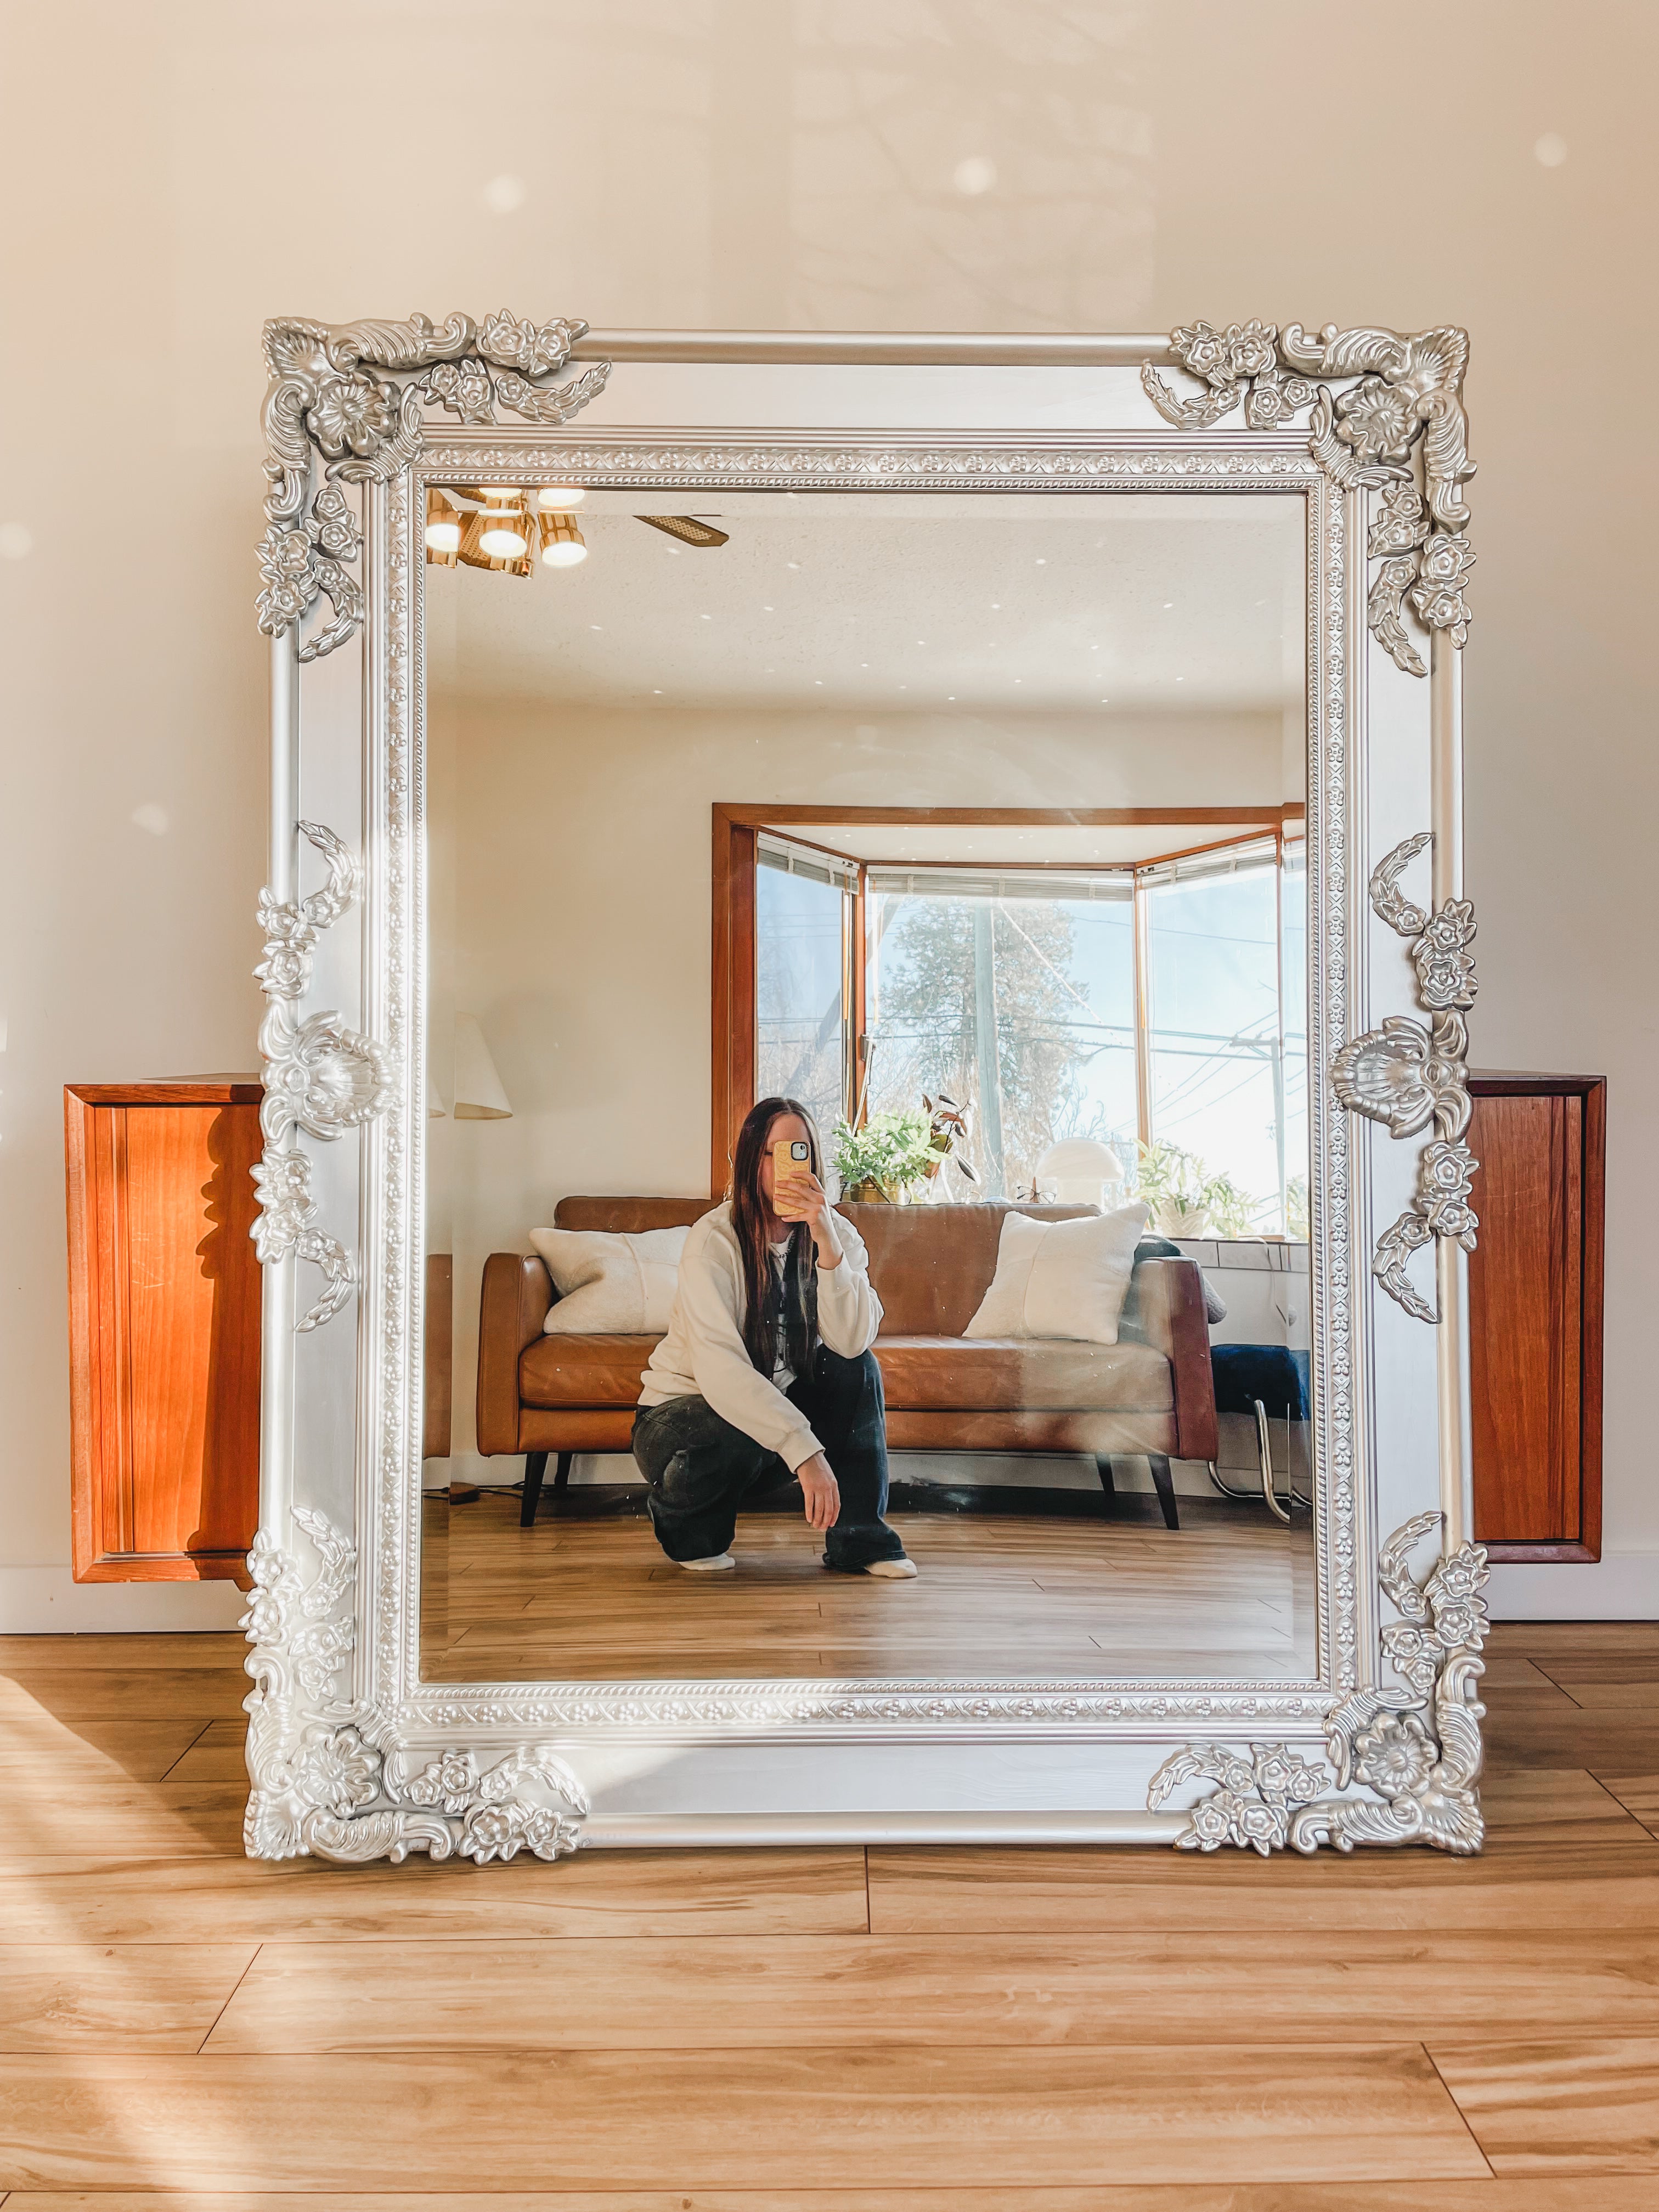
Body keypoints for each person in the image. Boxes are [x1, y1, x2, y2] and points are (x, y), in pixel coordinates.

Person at [631, 1097, 916, 1578]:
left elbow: (851, 1343)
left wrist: (826, 1242)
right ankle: (683, 1523)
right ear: (751, 1162)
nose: (786, 1166)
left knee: (858, 1369)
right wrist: (805, 1452)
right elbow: (721, 1371)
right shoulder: (714, 1240)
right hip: (681, 1416)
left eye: (799, 1151)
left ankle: (862, 1542)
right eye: (772, 1153)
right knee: (729, 1428)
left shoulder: (837, 1233)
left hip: (766, 1416)